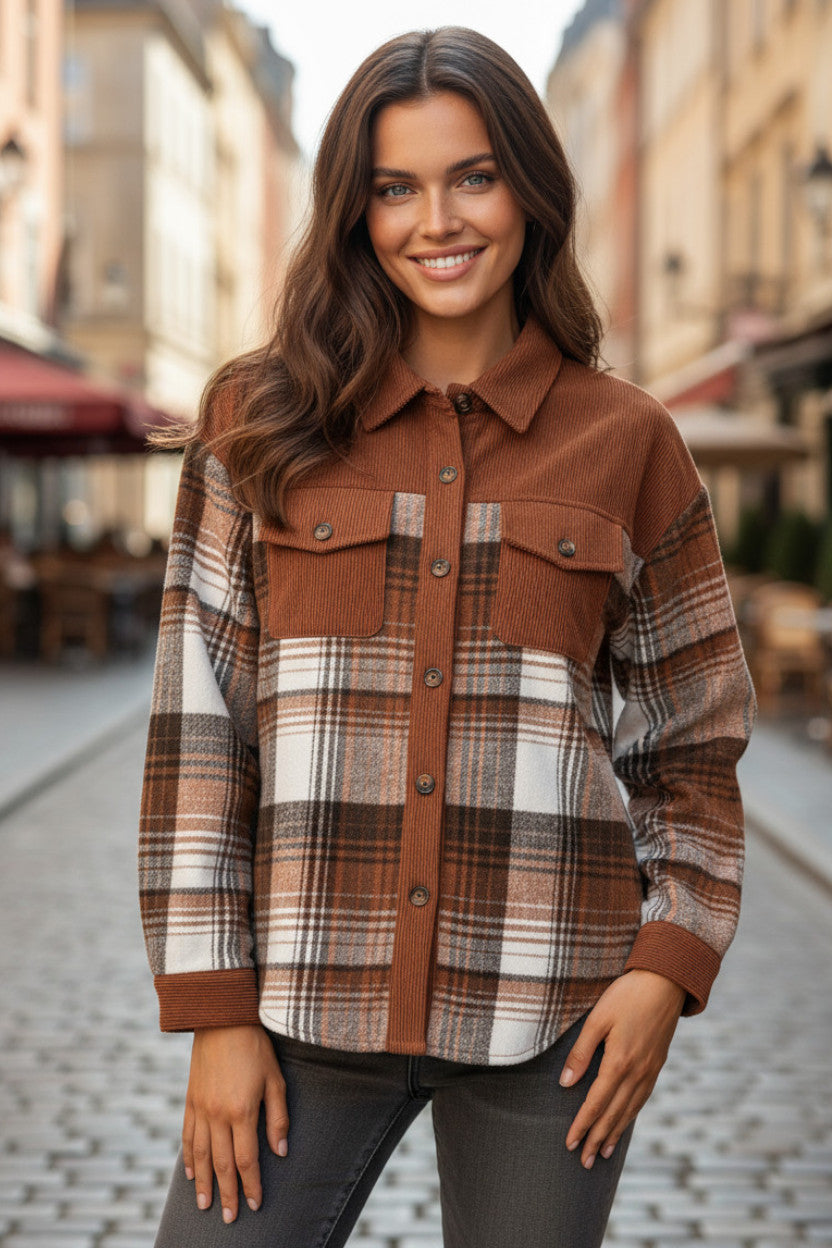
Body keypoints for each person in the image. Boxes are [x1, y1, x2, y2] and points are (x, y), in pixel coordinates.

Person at [138, 25, 757, 1248]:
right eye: (394, 187)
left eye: (472, 176)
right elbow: (199, 735)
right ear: (354, 210)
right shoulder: (253, 423)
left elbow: (695, 740)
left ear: (528, 189)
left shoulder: (628, 441)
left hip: (554, 1016)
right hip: (302, 1004)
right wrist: (213, 1012)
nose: (438, 219)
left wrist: (663, 964)